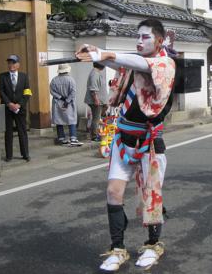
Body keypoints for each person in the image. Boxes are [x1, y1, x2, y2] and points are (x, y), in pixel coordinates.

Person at [76, 19, 175, 271]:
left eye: (145, 37)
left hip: (149, 142)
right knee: (113, 192)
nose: (139, 41)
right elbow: (119, 62)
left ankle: (153, 244)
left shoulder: (166, 64)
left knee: (149, 197)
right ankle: (117, 248)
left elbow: (143, 64)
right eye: (137, 37)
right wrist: (93, 52)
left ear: (160, 41)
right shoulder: (130, 64)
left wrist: (106, 53)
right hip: (123, 139)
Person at [0, 54, 31, 162]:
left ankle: (25, 154)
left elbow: (27, 92)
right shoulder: (2, 76)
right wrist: (9, 103)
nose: (11, 65)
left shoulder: (24, 76)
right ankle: (9, 155)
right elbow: (1, 91)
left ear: (18, 64)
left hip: (20, 108)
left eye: (13, 62)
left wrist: (19, 104)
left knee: (22, 131)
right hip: (8, 108)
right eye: (9, 63)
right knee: (8, 132)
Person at [50, 64, 82, 146]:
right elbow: (73, 92)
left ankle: (61, 138)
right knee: (71, 120)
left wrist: (61, 97)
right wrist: (67, 101)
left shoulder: (54, 80)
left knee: (59, 120)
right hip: (69, 103)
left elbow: (52, 91)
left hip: (58, 102)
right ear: (67, 70)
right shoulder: (71, 80)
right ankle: (73, 138)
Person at [84, 62, 107, 142]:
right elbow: (93, 89)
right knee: (96, 118)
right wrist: (96, 99)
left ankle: (95, 133)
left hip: (100, 100)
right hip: (96, 101)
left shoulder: (96, 72)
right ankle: (94, 136)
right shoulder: (94, 73)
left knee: (97, 118)